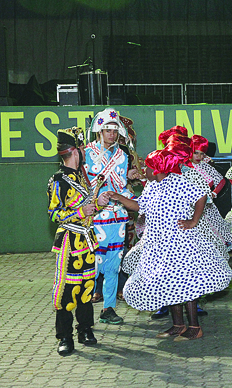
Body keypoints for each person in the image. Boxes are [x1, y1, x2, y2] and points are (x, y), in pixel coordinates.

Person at [117, 144, 232, 341]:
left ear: (158, 169)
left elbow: (201, 196)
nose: (145, 171)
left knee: (186, 284)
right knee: (168, 283)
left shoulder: (179, 182)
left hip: (180, 244)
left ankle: (194, 327)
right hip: (159, 244)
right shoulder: (152, 186)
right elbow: (139, 206)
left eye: (148, 167)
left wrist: (194, 220)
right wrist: (117, 197)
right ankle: (178, 325)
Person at [47, 127, 109, 355]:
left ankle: (85, 329)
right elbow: (54, 214)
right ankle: (64, 336)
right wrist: (80, 213)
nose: (84, 151)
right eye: (82, 148)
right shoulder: (58, 181)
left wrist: (99, 203)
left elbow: (88, 209)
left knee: (86, 289)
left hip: (87, 242)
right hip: (69, 243)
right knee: (65, 290)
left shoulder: (81, 178)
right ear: (74, 151)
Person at [84, 108, 133, 325]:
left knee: (114, 264)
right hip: (95, 216)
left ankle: (108, 308)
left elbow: (122, 185)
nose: (112, 135)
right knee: (93, 265)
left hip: (118, 216)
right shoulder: (86, 152)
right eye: (107, 130)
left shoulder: (122, 155)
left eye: (115, 131)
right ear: (99, 131)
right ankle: (83, 312)